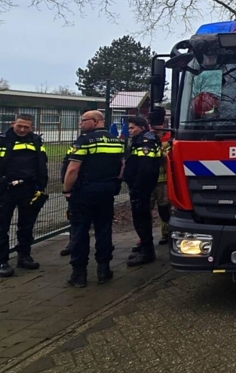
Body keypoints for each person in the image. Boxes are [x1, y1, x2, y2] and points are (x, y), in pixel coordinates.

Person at [0, 113, 47, 277]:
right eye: (19, 126)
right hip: (5, 190)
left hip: (29, 189)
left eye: (26, 127)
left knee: (26, 226)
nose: (22, 129)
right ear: (12, 124)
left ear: (32, 127)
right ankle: (0, 262)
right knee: (1, 227)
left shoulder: (36, 141)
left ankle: (24, 256)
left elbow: (41, 163)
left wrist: (41, 185)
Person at [63, 111, 124, 287]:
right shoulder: (116, 141)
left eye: (84, 120)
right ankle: (104, 270)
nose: (81, 124)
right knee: (104, 230)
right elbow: (122, 167)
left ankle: (79, 274)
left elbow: (73, 169)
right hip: (106, 192)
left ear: (96, 121)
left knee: (80, 232)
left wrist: (67, 190)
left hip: (83, 193)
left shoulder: (84, 141)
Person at [123, 116, 163, 266]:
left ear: (142, 127)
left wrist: (137, 188)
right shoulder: (144, 139)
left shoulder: (145, 142)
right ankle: (145, 249)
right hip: (141, 187)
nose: (130, 130)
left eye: (132, 128)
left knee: (141, 220)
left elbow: (145, 168)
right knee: (141, 219)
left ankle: (147, 252)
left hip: (141, 188)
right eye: (129, 128)